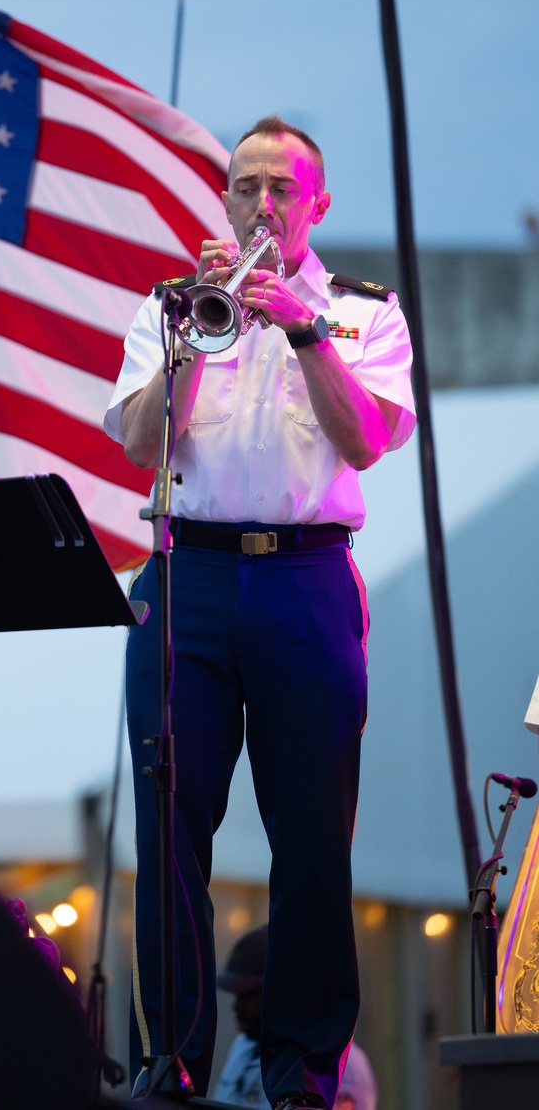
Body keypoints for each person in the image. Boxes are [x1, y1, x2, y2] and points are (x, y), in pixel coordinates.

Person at [103, 117, 415, 1110]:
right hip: (184, 572)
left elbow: (363, 442)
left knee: (312, 836)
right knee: (168, 823)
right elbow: (136, 442)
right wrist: (198, 336)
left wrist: (303, 327)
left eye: (282, 187)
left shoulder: (366, 317)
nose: (262, 203)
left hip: (304, 578)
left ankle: (301, 1073)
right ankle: (174, 1061)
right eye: (245, 185)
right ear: (225, 199)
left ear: (317, 204)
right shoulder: (171, 308)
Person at [214, 926, 377, 1110]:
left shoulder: (335, 1064)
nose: (237, 1006)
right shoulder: (242, 1047)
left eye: (249, 994)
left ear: (284, 991)